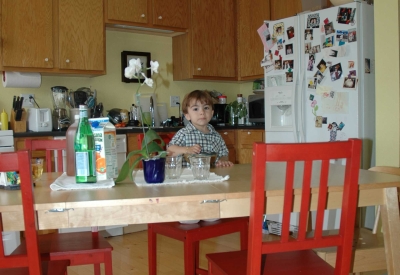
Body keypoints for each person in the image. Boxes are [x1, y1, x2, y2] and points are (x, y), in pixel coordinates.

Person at [167, 90, 233, 167]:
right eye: (195, 109)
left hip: (212, 176)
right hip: (188, 177)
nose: (202, 112)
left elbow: (224, 153)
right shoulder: (184, 133)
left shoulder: (216, 136)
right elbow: (170, 150)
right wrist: (187, 149)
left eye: (206, 108)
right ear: (187, 115)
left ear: (212, 113)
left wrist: (223, 161)